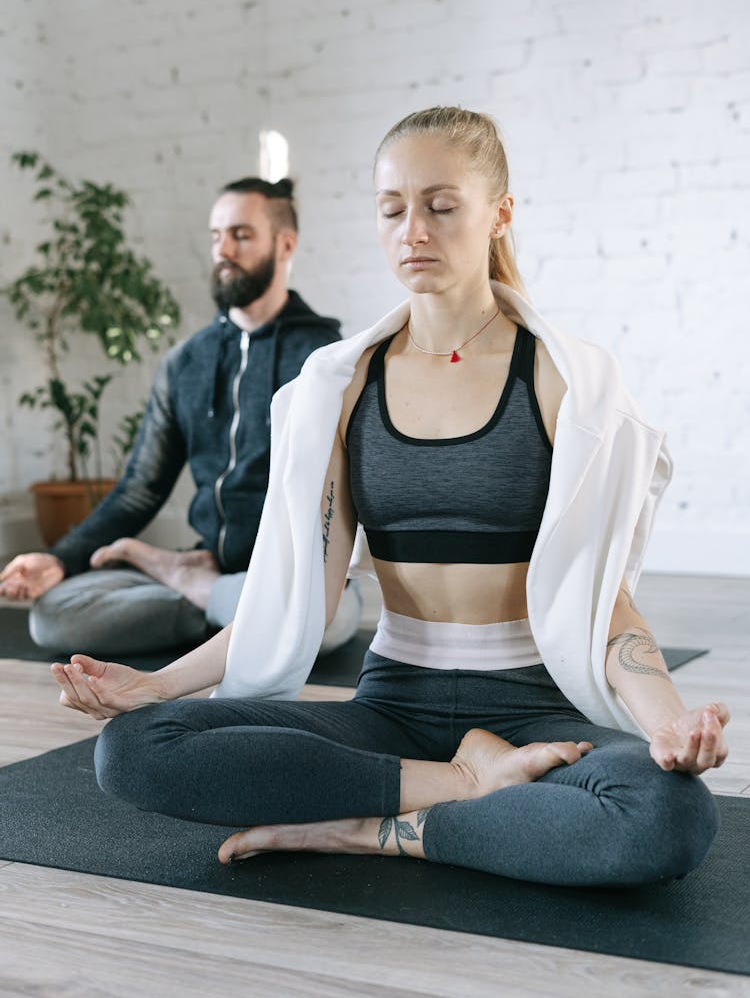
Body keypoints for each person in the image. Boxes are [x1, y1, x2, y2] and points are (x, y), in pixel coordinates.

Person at [51, 107, 728, 888]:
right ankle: (462, 786)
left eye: (442, 206)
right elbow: (292, 592)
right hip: (391, 708)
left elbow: (605, 606)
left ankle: (371, 830)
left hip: (535, 709)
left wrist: (668, 723)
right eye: (392, 207)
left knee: (667, 815)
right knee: (135, 746)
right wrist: (156, 685)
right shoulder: (342, 385)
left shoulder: (561, 379)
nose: (414, 229)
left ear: (499, 214)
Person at [2, 176, 361, 657]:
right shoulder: (185, 363)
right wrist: (58, 559)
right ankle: (233, 613)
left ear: (285, 243)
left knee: (331, 623)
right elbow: (140, 488)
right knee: (54, 618)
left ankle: (216, 602)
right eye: (216, 236)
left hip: (294, 573)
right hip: (208, 560)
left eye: (241, 235)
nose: (223, 250)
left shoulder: (323, 359)